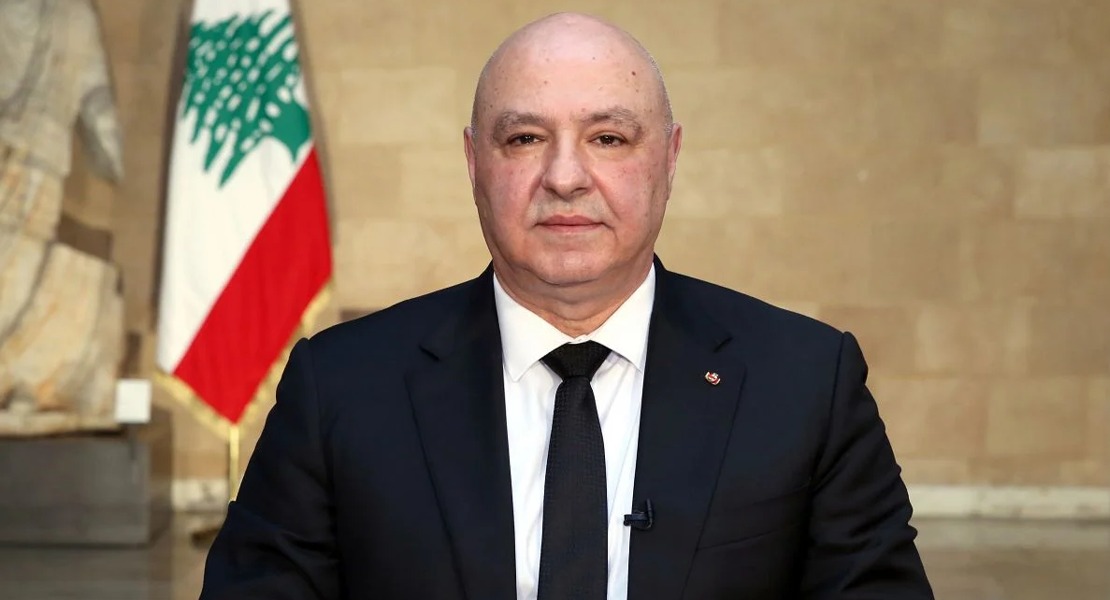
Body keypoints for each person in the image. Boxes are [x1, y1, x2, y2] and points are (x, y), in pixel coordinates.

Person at [201, 12, 933, 600]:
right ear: (474, 163)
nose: (564, 176)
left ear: (670, 158)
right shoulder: (339, 387)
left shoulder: (806, 382)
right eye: (525, 138)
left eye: (607, 138)